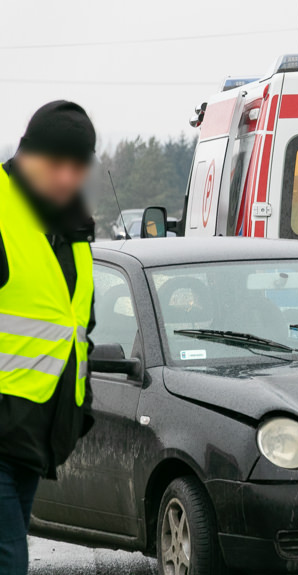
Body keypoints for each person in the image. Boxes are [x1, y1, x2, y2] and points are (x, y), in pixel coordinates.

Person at [0, 101, 97, 575]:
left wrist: (81, 406)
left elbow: (78, 331)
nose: (66, 177)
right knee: (9, 557)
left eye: (77, 167)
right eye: (55, 164)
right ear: (27, 154)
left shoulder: (72, 230)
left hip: (33, 433)